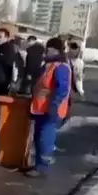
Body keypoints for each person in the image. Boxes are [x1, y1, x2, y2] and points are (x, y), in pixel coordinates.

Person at [26, 37, 72, 178]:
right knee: (38, 137)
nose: (46, 51)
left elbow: (62, 89)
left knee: (45, 139)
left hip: (52, 110)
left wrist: (54, 104)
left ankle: (42, 167)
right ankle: (38, 164)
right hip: (40, 109)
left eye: (50, 48)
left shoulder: (61, 67)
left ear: (56, 50)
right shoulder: (47, 65)